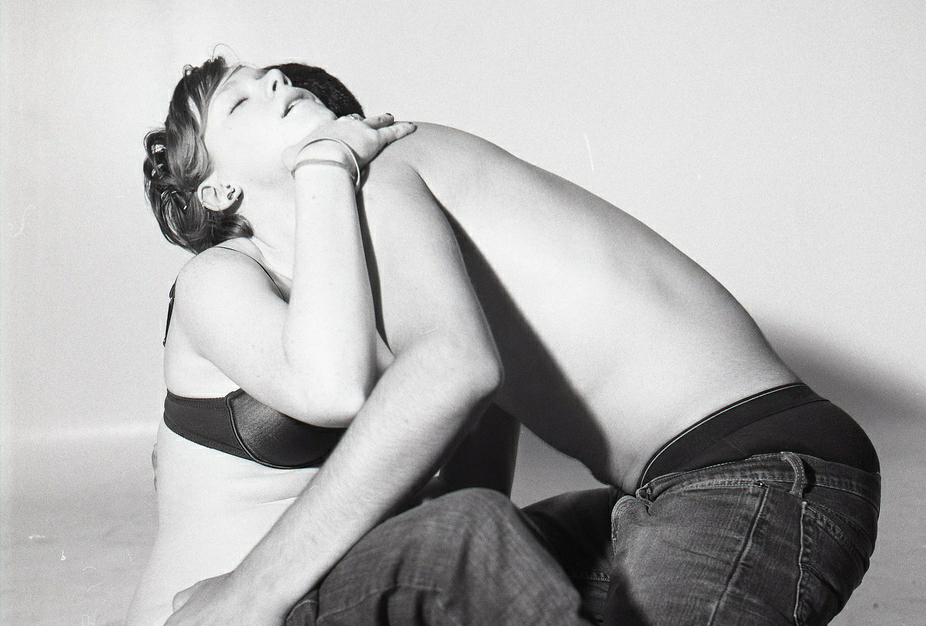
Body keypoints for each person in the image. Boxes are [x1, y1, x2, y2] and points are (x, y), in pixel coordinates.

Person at [139, 56, 881, 626]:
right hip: (689, 485)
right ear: (216, 190)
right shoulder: (291, 277)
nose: (274, 81)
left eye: (275, 78)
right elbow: (475, 458)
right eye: (243, 97)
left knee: (468, 538)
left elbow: (454, 373)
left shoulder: (381, 174)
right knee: (473, 544)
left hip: (749, 475)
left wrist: (251, 591)